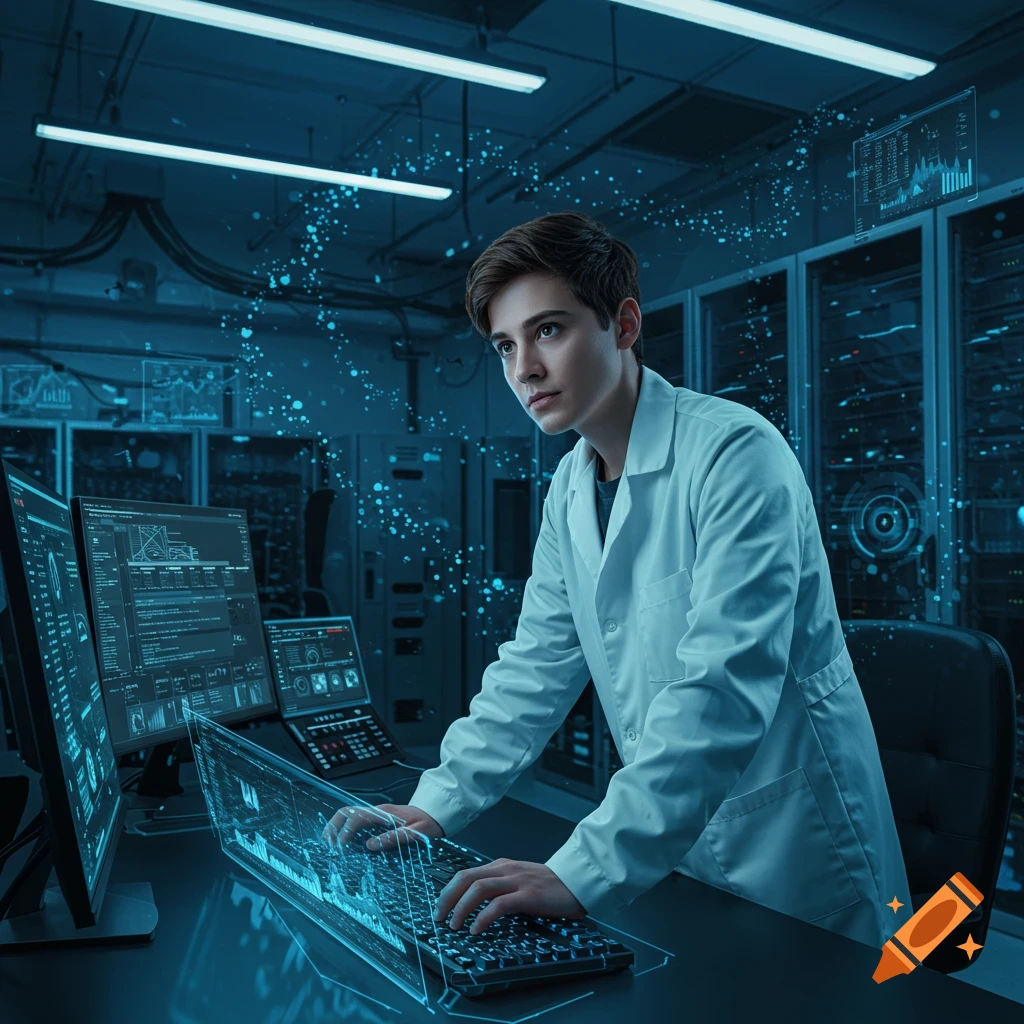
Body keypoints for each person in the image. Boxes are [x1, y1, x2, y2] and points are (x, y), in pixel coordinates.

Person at [326, 211, 910, 947]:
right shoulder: (569, 490)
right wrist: (436, 802)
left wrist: (583, 870)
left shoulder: (735, 454)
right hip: (679, 848)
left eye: (548, 330)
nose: (523, 369)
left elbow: (724, 688)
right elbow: (536, 666)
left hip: (798, 850)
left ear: (625, 325)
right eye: (505, 345)